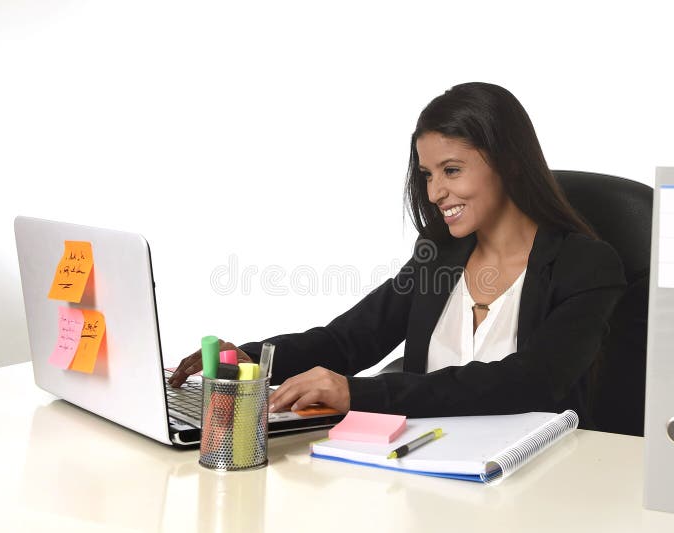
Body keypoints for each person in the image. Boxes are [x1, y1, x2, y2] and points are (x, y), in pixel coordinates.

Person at [168, 82, 627, 427]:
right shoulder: (440, 256)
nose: (434, 192)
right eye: (428, 174)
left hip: (535, 481)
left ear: (508, 163)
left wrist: (361, 394)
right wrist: (251, 359)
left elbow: (530, 381)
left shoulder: (585, 266)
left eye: (451, 170)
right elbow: (348, 340)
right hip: (424, 469)